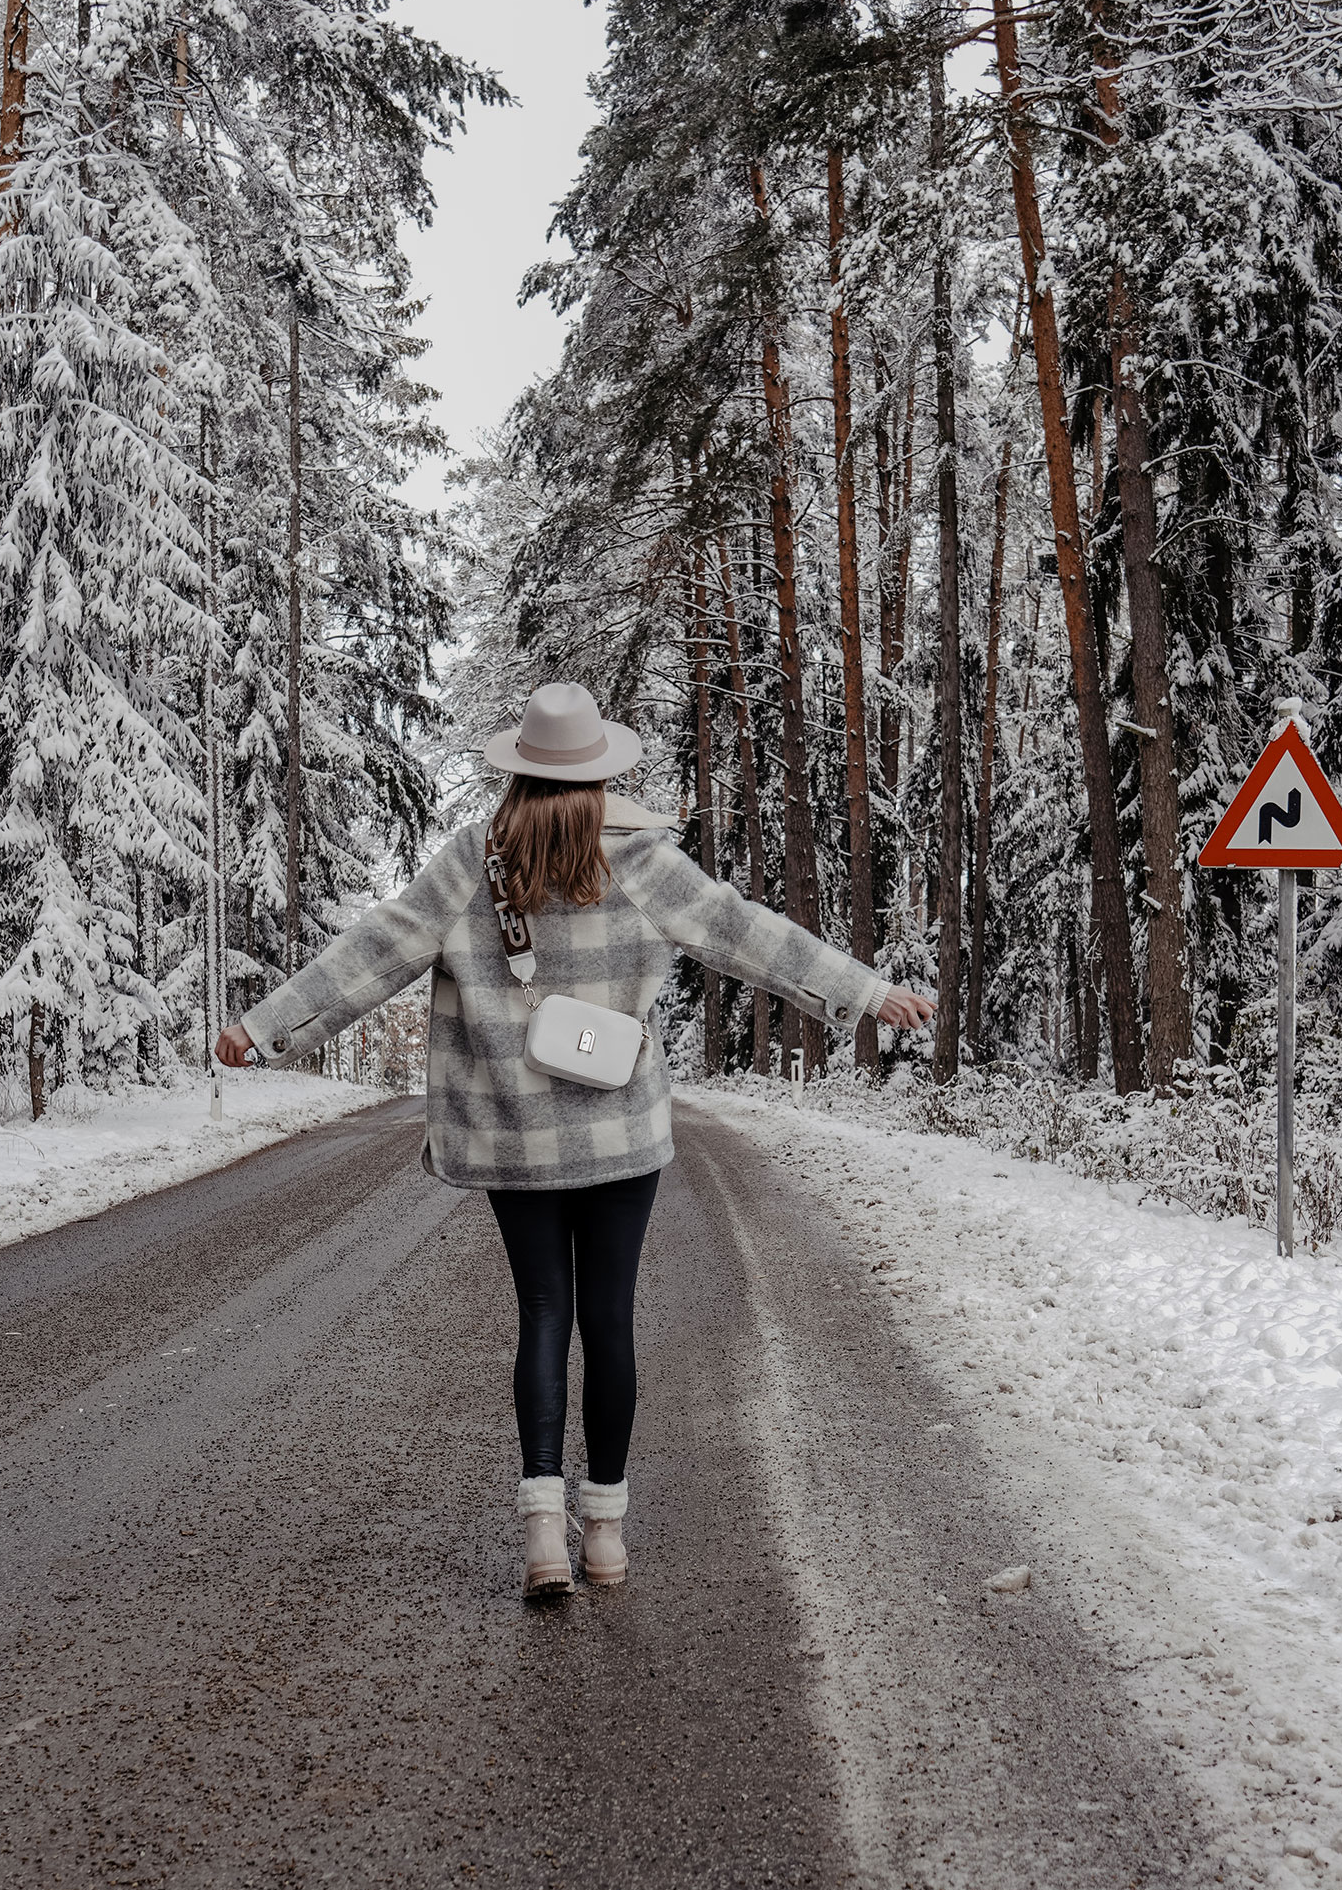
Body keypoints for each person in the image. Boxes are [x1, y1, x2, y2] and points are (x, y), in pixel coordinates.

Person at [216, 682, 935, 1600]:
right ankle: (604, 1536)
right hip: (617, 1135)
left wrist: (265, 1028)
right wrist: (870, 993)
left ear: (515, 773)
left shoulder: (467, 865)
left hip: (515, 1141)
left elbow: (370, 953)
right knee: (610, 1321)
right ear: (600, 778)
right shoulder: (642, 862)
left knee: (542, 1318)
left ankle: (542, 1538)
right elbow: (748, 936)